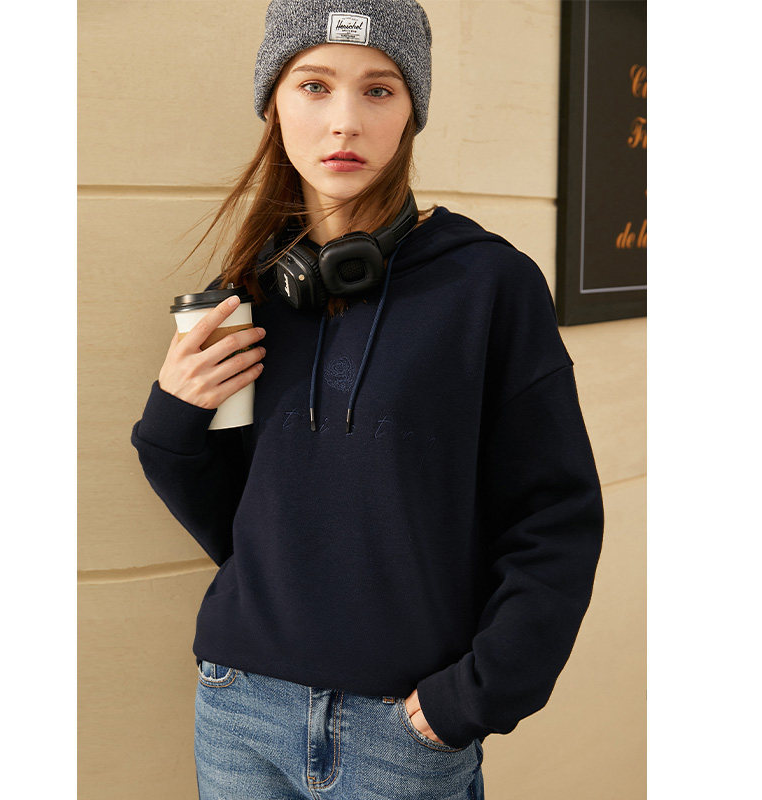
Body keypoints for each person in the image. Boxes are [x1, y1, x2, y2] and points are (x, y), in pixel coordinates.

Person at [130, 1, 604, 798]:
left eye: (378, 90)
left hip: (404, 732)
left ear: (412, 110)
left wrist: (475, 696)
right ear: (273, 104)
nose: (344, 122)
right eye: (314, 86)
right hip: (239, 708)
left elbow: (554, 516)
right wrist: (173, 414)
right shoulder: (247, 295)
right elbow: (238, 518)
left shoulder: (488, 284)